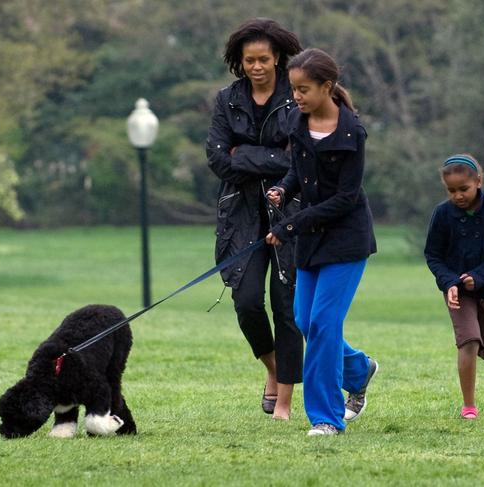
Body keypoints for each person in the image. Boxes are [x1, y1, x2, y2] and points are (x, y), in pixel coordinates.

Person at [265, 48, 378, 436]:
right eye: (294, 88)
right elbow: (298, 169)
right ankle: (360, 370)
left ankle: (326, 418)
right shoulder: (298, 122)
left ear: (327, 87)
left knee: (325, 324)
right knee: (305, 321)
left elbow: (345, 199)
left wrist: (289, 227)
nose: (296, 96)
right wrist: (283, 188)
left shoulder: (352, 132)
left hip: (346, 240)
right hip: (310, 237)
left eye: (304, 89)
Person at [206, 18, 303, 420]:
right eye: (249, 60)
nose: (257, 66)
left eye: (263, 59)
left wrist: (243, 155)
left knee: (287, 309)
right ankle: (273, 367)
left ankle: (283, 402)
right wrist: (268, 158)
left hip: (290, 213)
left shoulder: (296, 96)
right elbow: (216, 157)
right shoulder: (226, 99)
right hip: (241, 216)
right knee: (246, 302)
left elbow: (298, 157)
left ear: (277, 58)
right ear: (239, 62)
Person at [424, 154, 484, 420]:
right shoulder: (442, 214)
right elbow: (433, 255)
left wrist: (480, 276)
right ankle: (469, 407)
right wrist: (449, 282)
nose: (457, 196)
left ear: (478, 181)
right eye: (451, 191)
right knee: (469, 341)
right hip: (457, 292)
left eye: (463, 189)